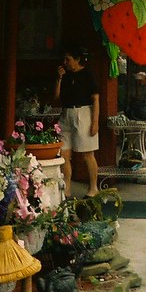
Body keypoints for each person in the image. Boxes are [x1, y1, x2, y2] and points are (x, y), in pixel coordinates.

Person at [54, 45, 100, 197]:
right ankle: (67, 187)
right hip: (66, 113)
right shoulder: (66, 75)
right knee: (64, 154)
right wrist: (59, 77)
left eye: (68, 59)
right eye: (64, 60)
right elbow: (57, 97)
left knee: (87, 153)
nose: (65, 62)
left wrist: (95, 122)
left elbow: (96, 99)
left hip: (83, 112)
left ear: (77, 59)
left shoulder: (87, 74)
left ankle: (93, 187)